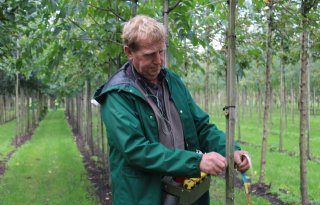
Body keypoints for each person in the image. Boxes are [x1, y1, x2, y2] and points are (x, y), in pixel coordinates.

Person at [94, 15, 250, 205]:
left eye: (162, 52)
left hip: (183, 192)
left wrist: (230, 151)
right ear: (129, 52)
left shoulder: (171, 81)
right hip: (144, 196)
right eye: (150, 54)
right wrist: (196, 162)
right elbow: (136, 149)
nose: (159, 61)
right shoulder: (117, 95)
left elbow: (200, 126)